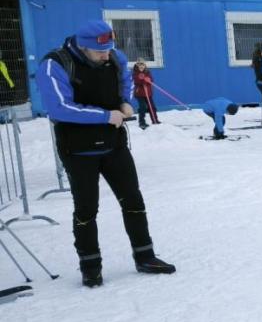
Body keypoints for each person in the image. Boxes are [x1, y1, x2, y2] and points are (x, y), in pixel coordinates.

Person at [34, 20, 175, 287]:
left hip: (114, 143)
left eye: (109, 49)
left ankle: (145, 255)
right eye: (100, 51)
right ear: (84, 48)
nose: (106, 55)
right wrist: (104, 115)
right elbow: (59, 108)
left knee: (133, 198)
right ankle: (91, 266)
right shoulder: (55, 65)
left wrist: (125, 102)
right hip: (78, 148)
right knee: (86, 208)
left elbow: (125, 83)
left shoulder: (115, 58)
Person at [130, 61, 158, 129]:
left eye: (143, 64)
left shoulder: (147, 72)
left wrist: (148, 80)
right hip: (140, 94)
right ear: (137, 65)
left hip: (148, 93)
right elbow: (137, 81)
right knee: (142, 108)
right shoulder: (135, 73)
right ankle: (142, 122)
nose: (141, 66)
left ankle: (155, 120)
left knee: (152, 107)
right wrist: (143, 80)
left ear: (145, 65)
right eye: (139, 64)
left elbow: (151, 80)